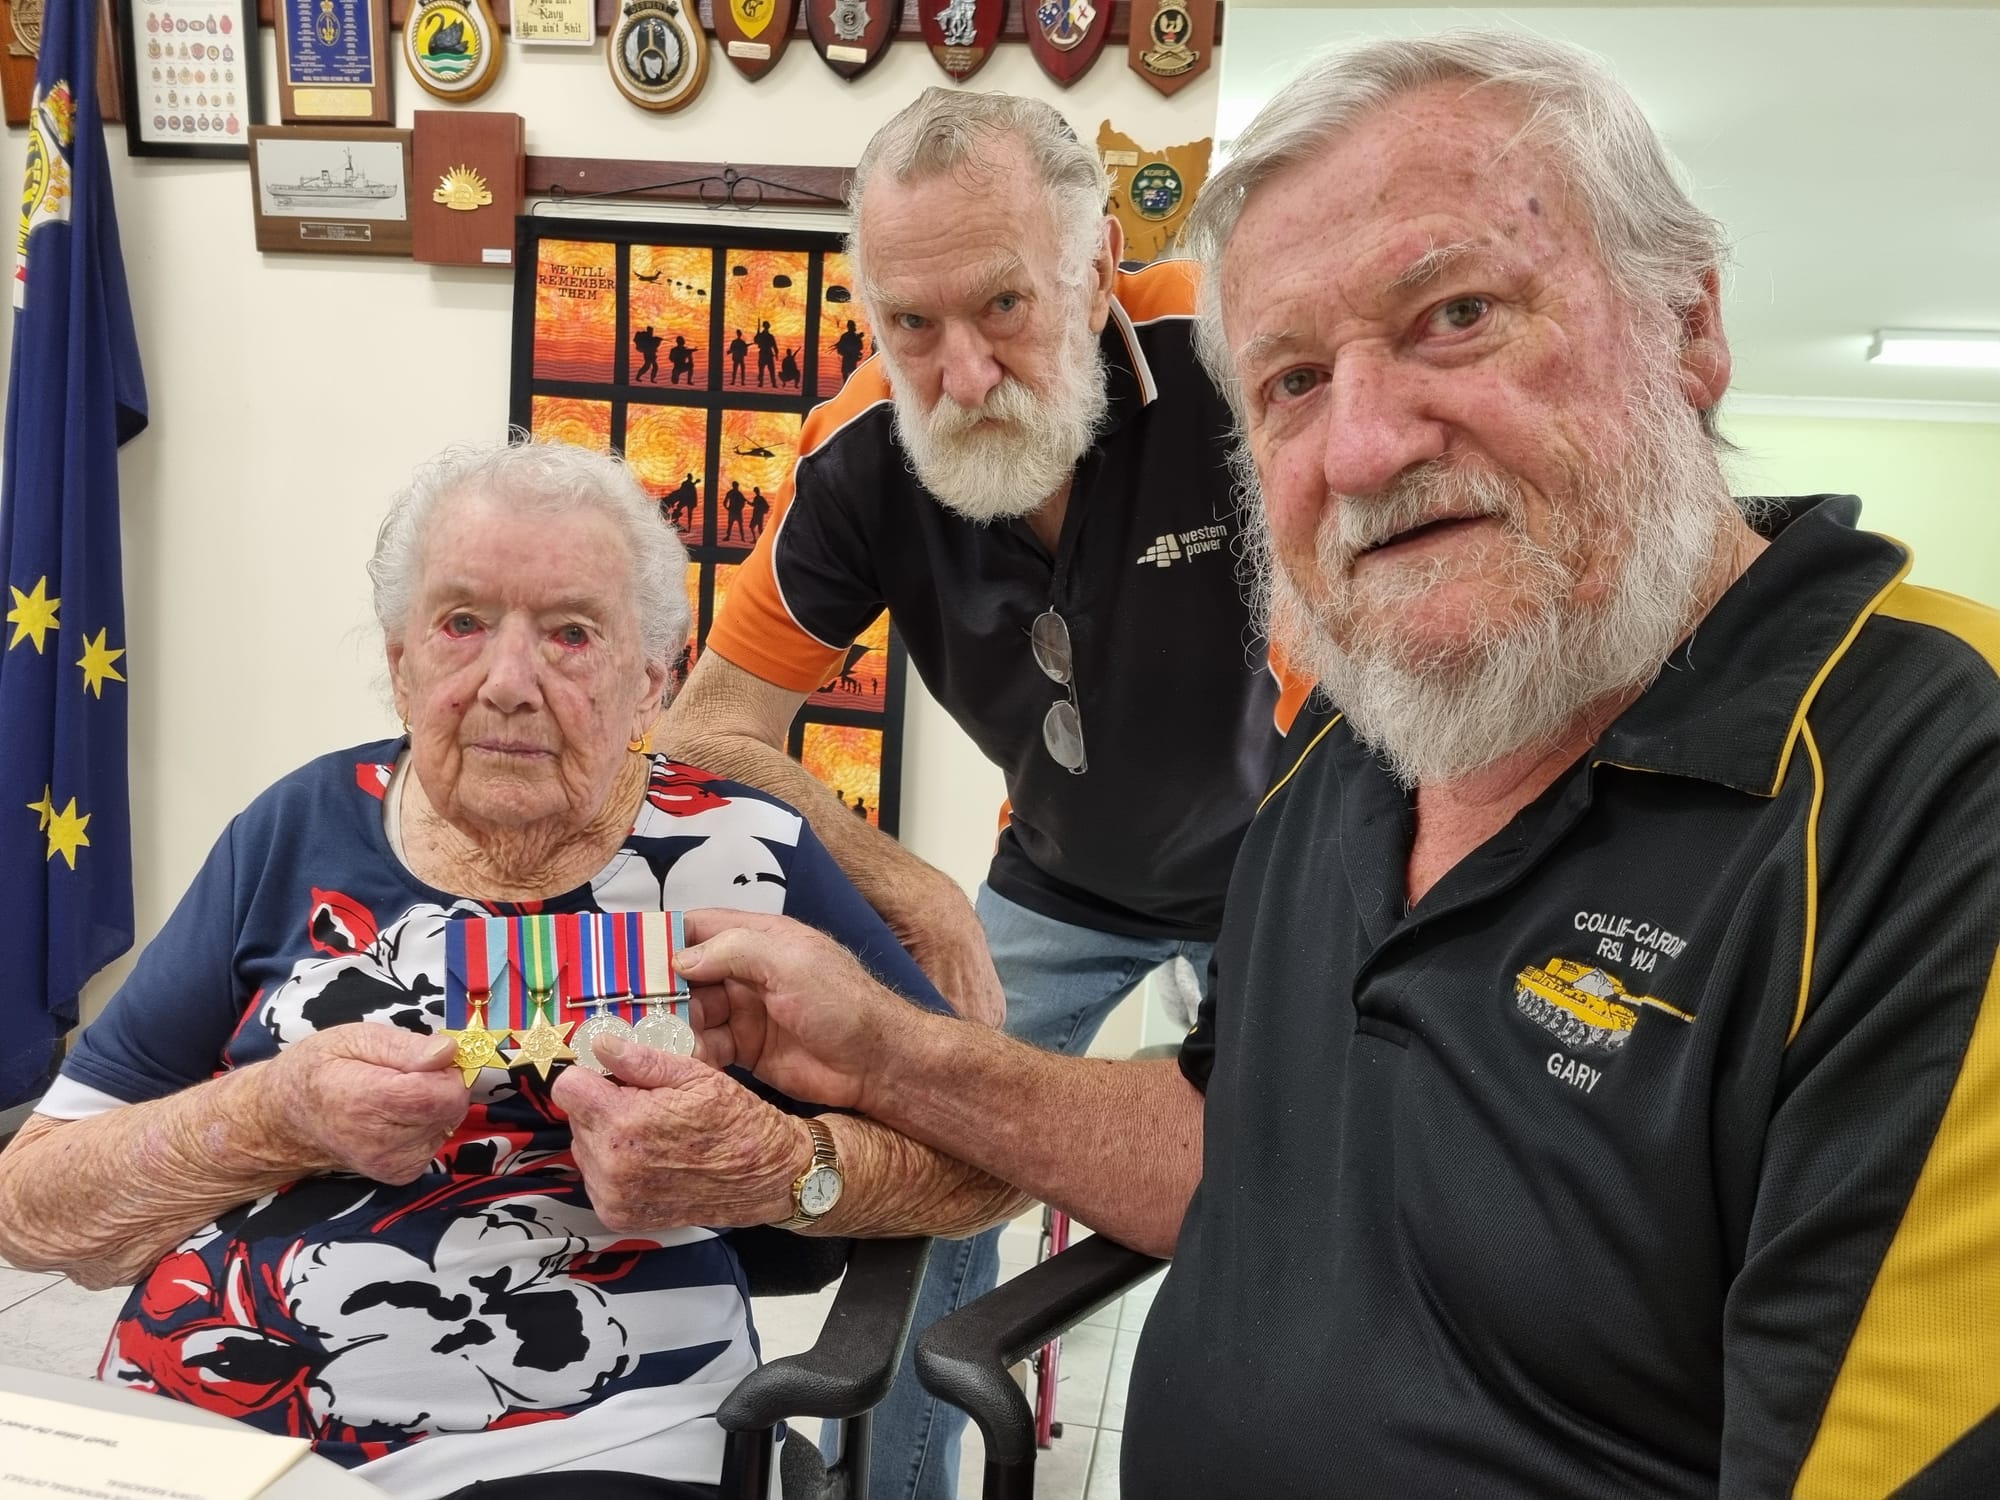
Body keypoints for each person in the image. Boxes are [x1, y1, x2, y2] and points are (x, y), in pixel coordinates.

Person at [670, 31, 2000, 1499]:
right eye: (1295, 380)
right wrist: (893, 972)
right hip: (1070, 863)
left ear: (1688, 323)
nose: (1360, 449)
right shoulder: (1354, 776)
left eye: (1458, 313)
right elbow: (1232, 1140)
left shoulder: (1924, 786)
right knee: (930, 1135)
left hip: (1231, 847)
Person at [0, 440, 1026, 1500]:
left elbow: (989, 1157)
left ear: (653, 682)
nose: (507, 684)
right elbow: (30, 1202)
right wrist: (271, 1116)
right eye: (461, 623)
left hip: (590, 1425)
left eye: (571, 634)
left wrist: (779, 1164)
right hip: (218, 1408)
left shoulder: (746, 855)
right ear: (402, 663)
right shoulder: (294, 830)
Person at [660, 89, 1302, 1500]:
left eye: (1005, 304)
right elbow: (706, 735)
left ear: (1096, 265)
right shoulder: (854, 456)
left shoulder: (1236, 353)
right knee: (930, 1142)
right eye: (910, 324)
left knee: (1296, 1174)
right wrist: (906, 883)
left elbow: (1370, 700)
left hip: (1278, 859)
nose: (959, 374)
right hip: (1060, 871)